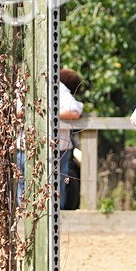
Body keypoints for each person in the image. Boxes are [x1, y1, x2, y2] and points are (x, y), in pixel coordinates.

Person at [57, 68, 84, 210]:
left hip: (63, 145)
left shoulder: (60, 90)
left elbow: (75, 110)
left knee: (61, 181)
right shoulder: (61, 89)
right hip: (65, 144)